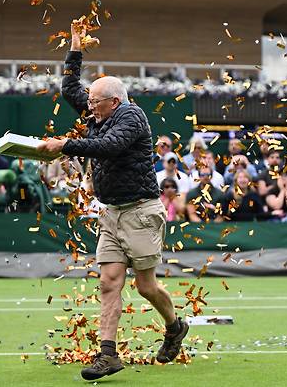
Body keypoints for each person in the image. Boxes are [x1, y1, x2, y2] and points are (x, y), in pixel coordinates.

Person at [37, 22, 188, 380]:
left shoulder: (132, 117)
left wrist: (65, 145)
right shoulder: (97, 110)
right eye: (89, 101)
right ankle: (108, 356)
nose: (88, 106)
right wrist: (75, 49)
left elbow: (109, 147)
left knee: (145, 286)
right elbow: (70, 87)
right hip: (111, 213)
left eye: (94, 102)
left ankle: (174, 326)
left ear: (113, 102)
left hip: (140, 211)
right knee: (108, 282)